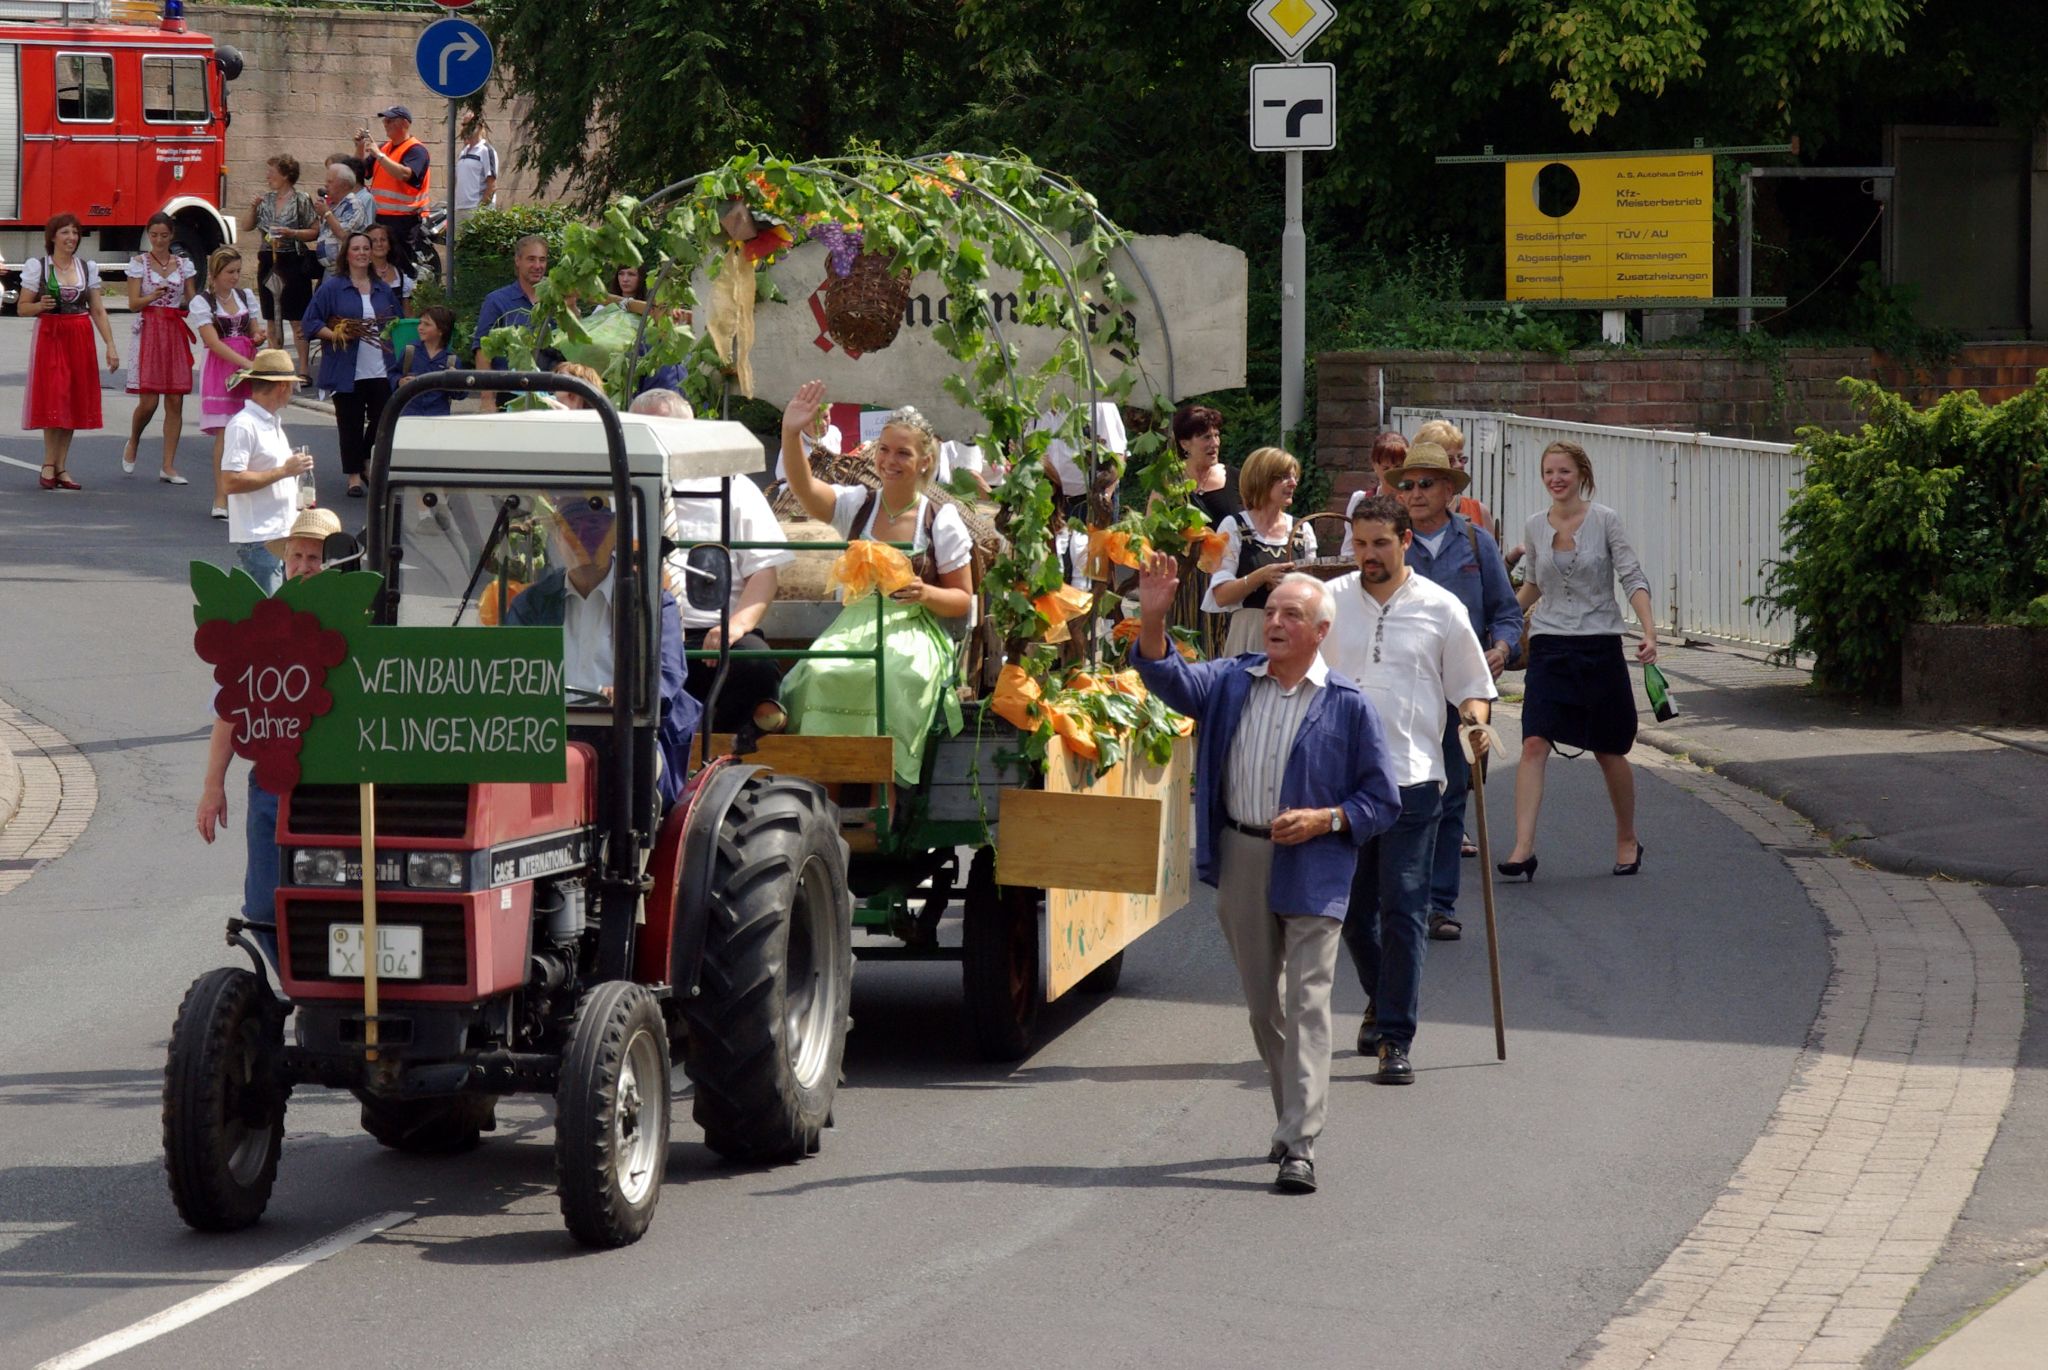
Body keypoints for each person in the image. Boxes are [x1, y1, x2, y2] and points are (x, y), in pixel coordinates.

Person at [1128, 553, 1400, 1193]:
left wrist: (1327, 818)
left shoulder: (1350, 706)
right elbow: (1167, 677)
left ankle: (1300, 1142)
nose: (1275, 623)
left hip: (1316, 865)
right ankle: (1290, 1117)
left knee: (1308, 1003)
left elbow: (1382, 800)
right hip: (1244, 856)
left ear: (1320, 631)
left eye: (1291, 615)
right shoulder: (1230, 681)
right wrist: (1153, 618)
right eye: (1271, 612)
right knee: (1262, 1009)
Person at [1321, 495, 1496, 1082]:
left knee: (1403, 906)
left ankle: (1396, 1037)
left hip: (1415, 777)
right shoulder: (1329, 601)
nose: (1367, 555)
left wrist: (1474, 722)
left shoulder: (1441, 608)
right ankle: (1380, 995)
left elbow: (1472, 685)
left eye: (1379, 544)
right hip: (1342, 782)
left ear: (1403, 543)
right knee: (1349, 912)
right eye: (1359, 543)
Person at [1500, 440, 1659, 881]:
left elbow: (1631, 575)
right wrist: (1507, 625)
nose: (1555, 479)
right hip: (1550, 646)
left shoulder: (1605, 520)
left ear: (1580, 474)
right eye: (1549, 471)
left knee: (1611, 750)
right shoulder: (1535, 526)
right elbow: (1533, 584)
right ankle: (1523, 848)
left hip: (1599, 644)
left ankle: (1627, 836)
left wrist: (1648, 631)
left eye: (1564, 471)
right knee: (1534, 741)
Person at [1386, 442, 1522, 939]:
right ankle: (1401, 900)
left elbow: (1507, 612)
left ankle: (1439, 904)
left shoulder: (1476, 541)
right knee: (1403, 795)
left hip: (1463, 692)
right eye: (1406, 484)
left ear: (1448, 491)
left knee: (1452, 796)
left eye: (1425, 484)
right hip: (1404, 692)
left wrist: (1502, 650)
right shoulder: (1391, 544)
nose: (1415, 493)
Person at [196, 506, 343, 963]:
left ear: (336, 563)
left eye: (314, 558)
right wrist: (212, 786)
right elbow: (231, 710)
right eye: (296, 556)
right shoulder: (264, 626)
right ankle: (299, 987)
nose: (302, 566)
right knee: (261, 906)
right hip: (271, 783)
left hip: (337, 785)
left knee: (331, 900)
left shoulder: (361, 625)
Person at [504, 497, 697, 809]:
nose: (583, 538)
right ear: (556, 538)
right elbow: (508, 674)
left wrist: (627, 694)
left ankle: (632, 853)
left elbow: (668, 674)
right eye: (572, 528)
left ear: (614, 535)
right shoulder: (531, 604)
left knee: (639, 773)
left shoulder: (653, 603)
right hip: (545, 735)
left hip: (624, 734)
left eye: (594, 527)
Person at [632, 388, 795, 731]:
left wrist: (733, 626)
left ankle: (724, 754)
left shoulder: (734, 488)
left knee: (755, 665)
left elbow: (764, 572)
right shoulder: (622, 491)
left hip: (709, 632)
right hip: (639, 633)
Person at [779, 380, 974, 619]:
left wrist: (925, 593)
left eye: (903, 453)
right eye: (884, 449)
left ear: (925, 462)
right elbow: (804, 487)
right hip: (849, 629)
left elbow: (962, 599)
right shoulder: (857, 505)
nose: (890, 460)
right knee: (818, 660)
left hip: (910, 630)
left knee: (889, 660)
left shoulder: (939, 520)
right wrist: (790, 433)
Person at [21, 213, 119, 491]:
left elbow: (98, 309)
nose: (71, 238)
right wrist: (40, 305)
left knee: (73, 398)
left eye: (75, 233)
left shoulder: (86, 268)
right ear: (53, 237)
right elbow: (22, 307)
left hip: (79, 334)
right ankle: (48, 463)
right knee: (56, 395)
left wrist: (110, 345)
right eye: (65, 233)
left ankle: (61, 466)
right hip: (51, 335)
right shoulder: (38, 267)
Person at [303, 230, 402, 498]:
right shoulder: (333, 288)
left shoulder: (382, 288)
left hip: (381, 367)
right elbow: (310, 322)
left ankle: (366, 460)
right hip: (346, 368)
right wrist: (334, 334)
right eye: (356, 248)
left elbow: (397, 322)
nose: (362, 253)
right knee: (350, 423)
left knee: (384, 418)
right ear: (347, 254)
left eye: (366, 249)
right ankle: (355, 476)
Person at [1203, 446, 1317, 655]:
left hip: (1293, 635)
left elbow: (1316, 593)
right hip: (1251, 633)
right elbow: (1221, 596)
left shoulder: (1302, 530)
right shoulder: (1234, 526)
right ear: (1261, 479)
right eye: (1283, 477)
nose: (1292, 483)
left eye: (1294, 477)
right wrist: (1261, 576)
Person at [219, 349, 314, 594]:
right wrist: (284, 470)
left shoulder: (268, 422)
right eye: (291, 385)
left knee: (278, 618)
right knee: (268, 622)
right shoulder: (244, 425)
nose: (292, 391)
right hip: (260, 539)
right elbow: (230, 481)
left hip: (279, 536)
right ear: (282, 386)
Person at [190, 247, 267, 520]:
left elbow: (253, 329)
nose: (235, 277)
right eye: (229, 272)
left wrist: (258, 337)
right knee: (226, 433)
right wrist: (246, 364)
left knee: (249, 433)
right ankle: (221, 497)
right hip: (223, 369)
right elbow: (212, 342)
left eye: (237, 272)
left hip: (247, 366)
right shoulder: (203, 302)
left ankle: (246, 494)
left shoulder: (245, 296)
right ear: (215, 274)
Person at [122, 212, 198, 484]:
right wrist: (151, 296)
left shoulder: (183, 264)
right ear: (148, 234)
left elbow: (191, 299)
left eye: (164, 235)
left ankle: (168, 465)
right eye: (154, 235)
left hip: (174, 329)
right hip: (150, 329)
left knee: (176, 399)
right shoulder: (138, 264)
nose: (158, 240)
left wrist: (201, 305)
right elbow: (132, 303)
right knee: (149, 400)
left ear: (172, 235)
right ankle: (133, 440)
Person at [240, 154, 319, 380]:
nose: (268, 176)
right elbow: (246, 226)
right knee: (271, 317)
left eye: (271, 172)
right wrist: (253, 208)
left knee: (296, 317)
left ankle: (303, 369)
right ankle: (276, 365)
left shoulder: (301, 199)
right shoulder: (266, 199)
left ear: (285, 175)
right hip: (268, 259)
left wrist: (292, 233)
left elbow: (315, 230)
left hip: (292, 260)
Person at [474, 234, 550, 408]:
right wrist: (487, 400)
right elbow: (483, 352)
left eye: (542, 260)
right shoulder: (497, 301)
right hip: (509, 396)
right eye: (531, 259)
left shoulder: (554, 301)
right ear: (518, 260)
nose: (537, 266)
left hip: (550, 395)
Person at [358, 104, 431, 279]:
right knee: (380, 264)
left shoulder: (416, 150)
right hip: (380, 218)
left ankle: (405, 300)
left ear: (405, 123)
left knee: (402, 266)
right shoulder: (384, 148)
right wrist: (359, 148)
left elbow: (405, 174)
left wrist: (379, 156)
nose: (385, 123)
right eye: (385, 120)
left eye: (390, 120)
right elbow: (360, 172)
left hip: (403, 220)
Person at [1410, 419, 1495, 537]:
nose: (1459, 465)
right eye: (1450, 460)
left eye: (1461, 458)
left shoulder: (1479, 511)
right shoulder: (1409, 512)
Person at [1337, 430, 1411, 556]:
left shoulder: (1414, 499)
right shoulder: (1360, 500)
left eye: (1398, 467)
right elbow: (1349, 549)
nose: (1392, 473)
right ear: (1375, 466)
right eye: (1386, 468)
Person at [1174, 402, 1239, 526]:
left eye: (1216, 435)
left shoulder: (1238, 479)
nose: (1215, 443)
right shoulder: (1169, 484)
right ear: (1184, 444)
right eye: (1206, 437)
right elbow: (1152, 534)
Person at [396, 305, 458, 417]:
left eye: (427, 324)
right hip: (409, 416)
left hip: (438, 418)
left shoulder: (451, 359)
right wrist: (399, 382)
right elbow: (393, 374)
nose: (420, 327)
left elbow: (460, 394)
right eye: (420, 323)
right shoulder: (410, 351)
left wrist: (455, 380)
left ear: (441, 330)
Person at [312, 159, 374, 270]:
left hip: (346, 269)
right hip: (330, 269)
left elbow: (344, 234)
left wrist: (326, 213)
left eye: (330, 182)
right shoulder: (333, 206)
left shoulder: (354, 205)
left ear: (344, 185)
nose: (326, 185)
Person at [366, 222, 415, 314]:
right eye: (374, 241)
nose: (379, 244)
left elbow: (408, 314)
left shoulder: (400, 275)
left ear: (389, 245)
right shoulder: (361, 273)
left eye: (383, 240)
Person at [453, 114, 498, 214]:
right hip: (460, 209)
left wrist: (480, 209)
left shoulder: (486, 150)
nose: (466, 128)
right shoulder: (463, 152)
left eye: (470, 124)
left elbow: (492, 185)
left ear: (479, 126)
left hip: (476, 210)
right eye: (464, 124)